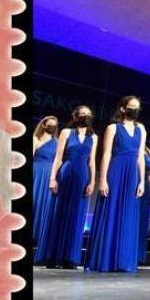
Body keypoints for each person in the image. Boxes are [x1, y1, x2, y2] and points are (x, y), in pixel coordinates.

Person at [86, 97, 146, 273]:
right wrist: (103, 179)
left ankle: (123, 260)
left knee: (128, 213)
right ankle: (105, 259)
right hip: (116, 170)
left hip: (133, 173)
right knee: (111, 210)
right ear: (122, 108)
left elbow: (141, 156)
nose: (134, 110)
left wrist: (141, 180)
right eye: (131, 107)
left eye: (137, 107)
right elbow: (106, 154)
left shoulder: (141, 129)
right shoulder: (113, 128)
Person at [36, 107, 96, 268]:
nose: (85, 116)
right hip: (66, 173)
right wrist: (52, 178)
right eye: (82, 114)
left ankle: (69, 257)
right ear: (75, 116)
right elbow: (59, 156)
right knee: (59, 213)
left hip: (82, 176)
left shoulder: (94, 137)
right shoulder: (66, 133)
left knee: (76, 216)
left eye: (88, 114)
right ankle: (53, 256)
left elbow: (92, 162)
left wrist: (92, 182)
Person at [32, 116, 58, 242]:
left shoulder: (57, 143)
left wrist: (55, 178)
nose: (52, 127)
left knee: (44, 203)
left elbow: (58, 161)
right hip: (36, 172)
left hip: (49, 175)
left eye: (54, 125)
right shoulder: (35, 139)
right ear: (43, 125)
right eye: (50, 124)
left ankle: (39, 235)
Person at [137, 146, 150, 264]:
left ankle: (139, 255)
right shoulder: (135, 148)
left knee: (142, 221)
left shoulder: (148, 151)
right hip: (136, 184)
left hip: (147, 188)